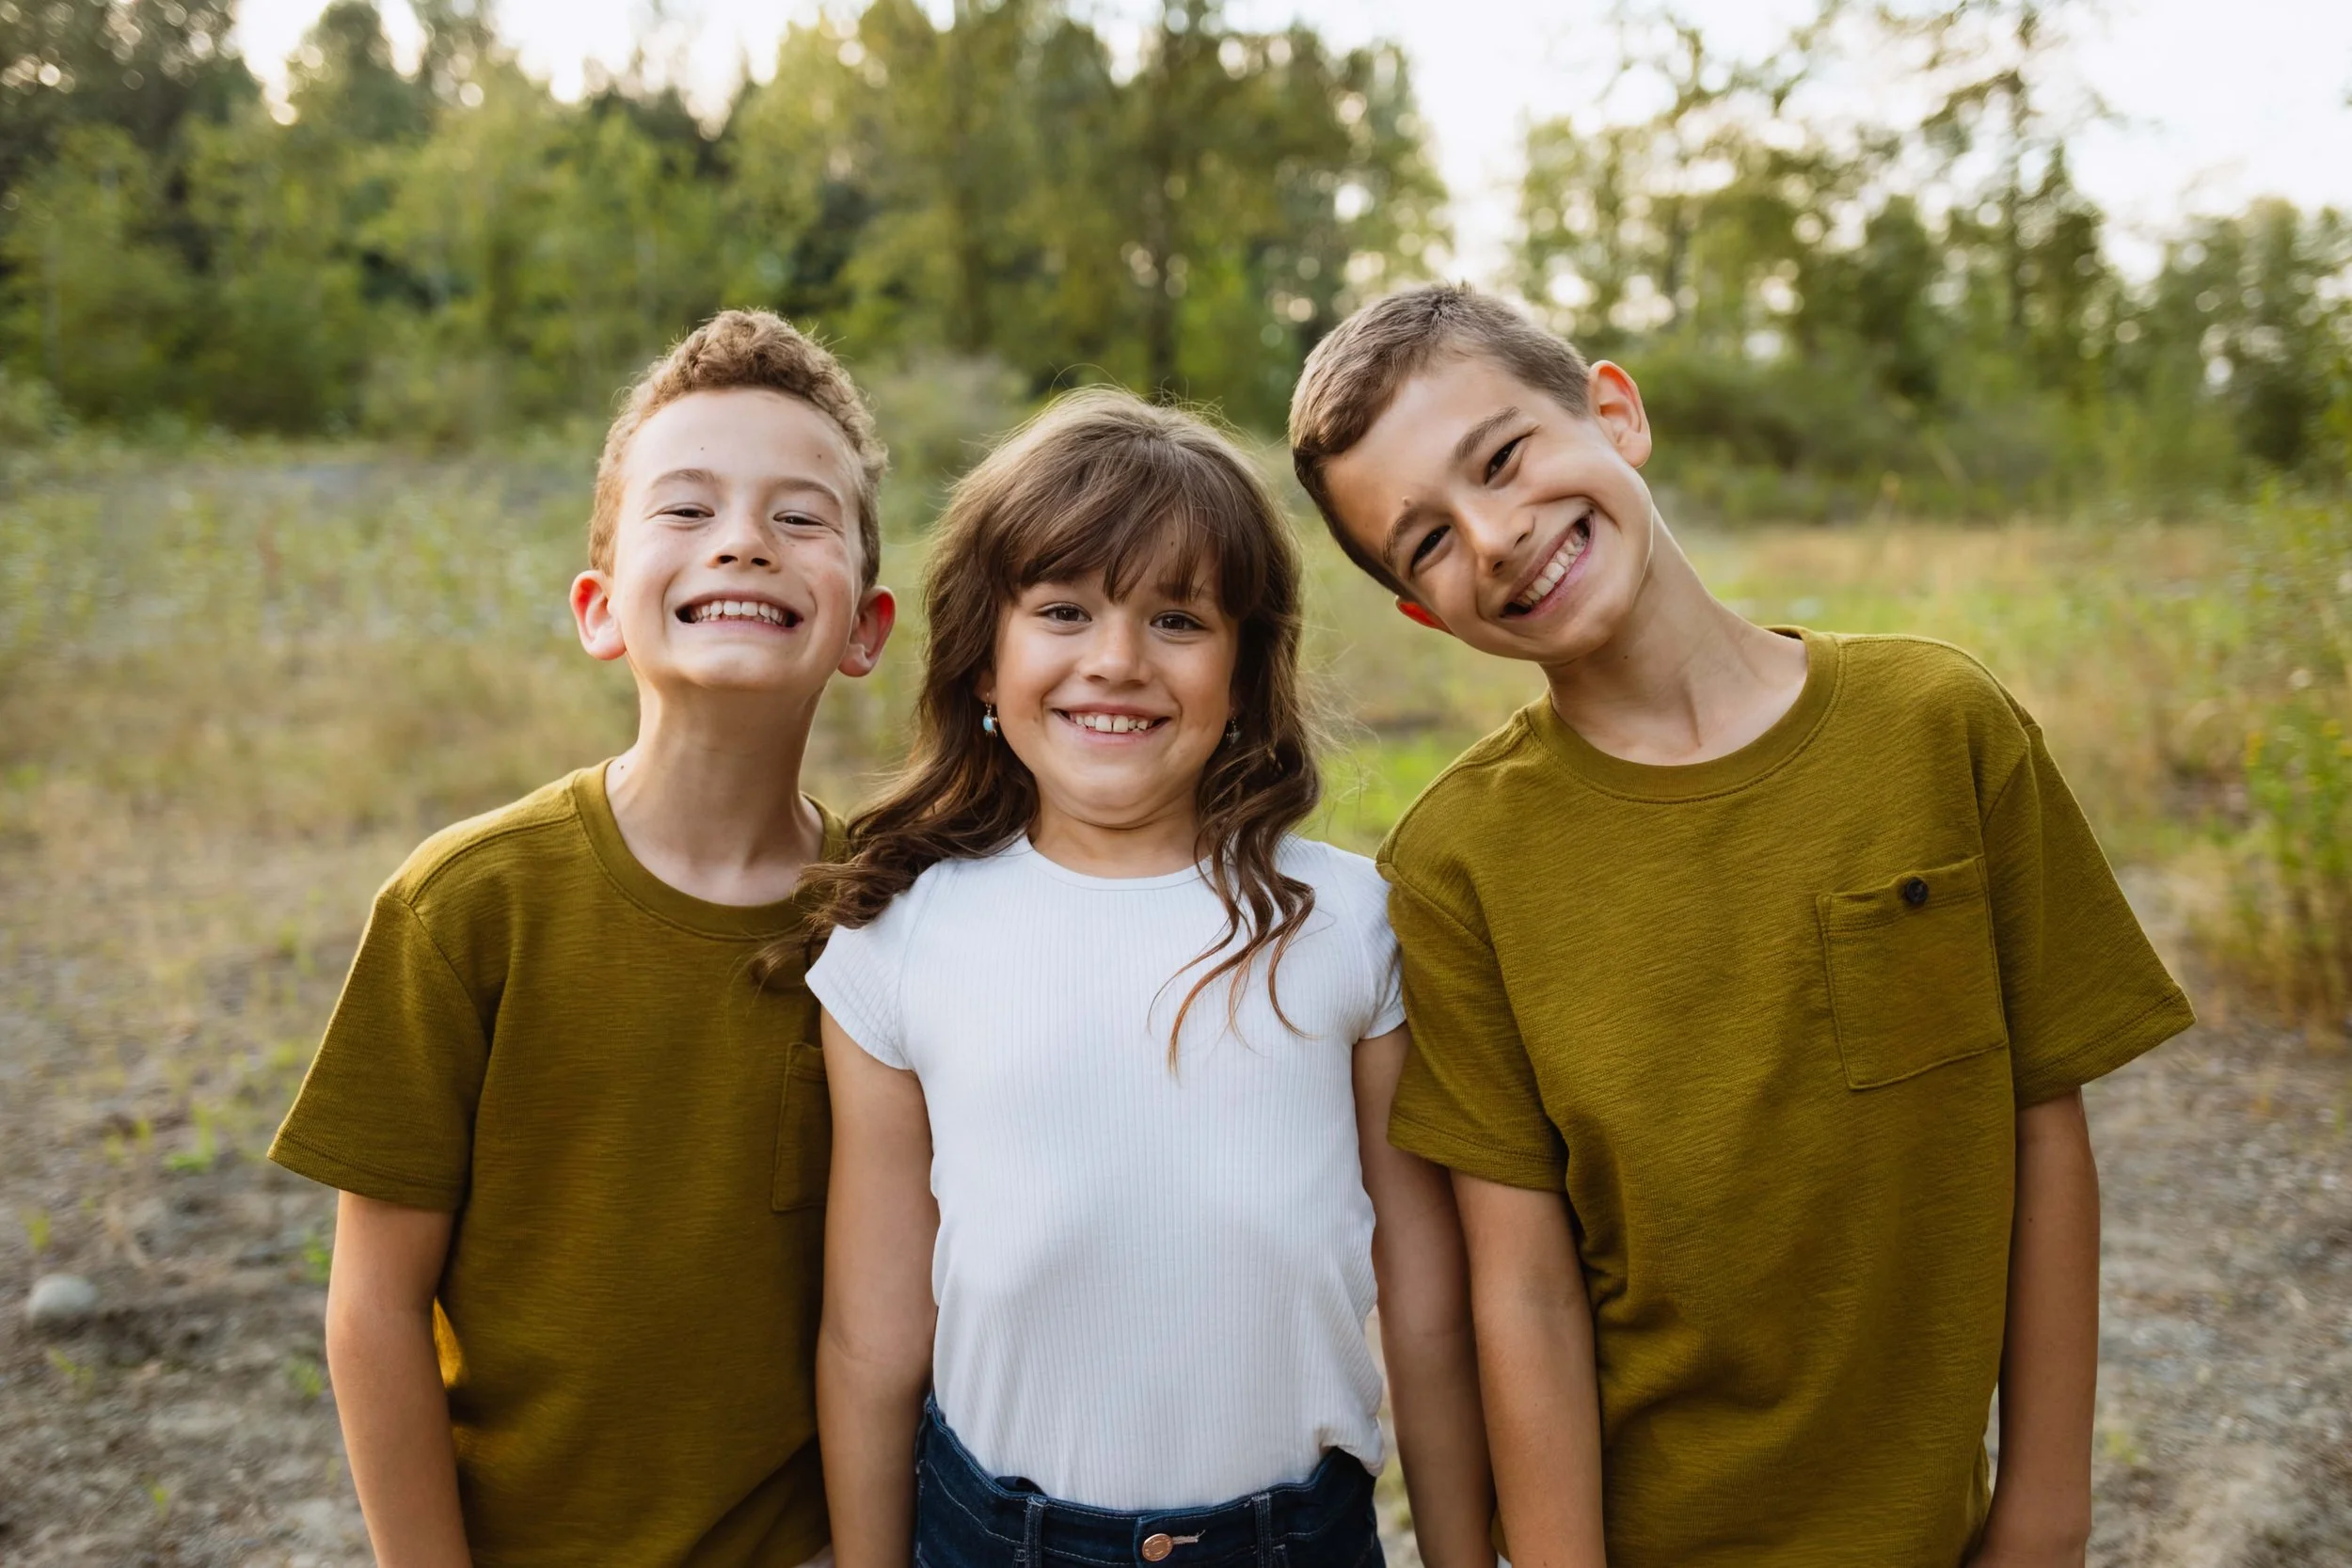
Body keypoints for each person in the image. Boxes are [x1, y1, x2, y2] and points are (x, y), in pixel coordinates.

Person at [1286, 283, 2196, 1568]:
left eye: (1503, 457)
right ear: (1422, 611)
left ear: (1616, 411)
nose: (1493, 536)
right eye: (1426, 540)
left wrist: (2046, 1511)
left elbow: (2044, 1122)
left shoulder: (1938, 725)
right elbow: (1525, 1279)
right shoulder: (1456, 863)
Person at [807, 388, 1495, 1568]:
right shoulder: (899, 943)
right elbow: (871, 1342)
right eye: (1063, 610)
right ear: (983, 654)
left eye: (1177, 619)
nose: (1116, 662)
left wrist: (1464, 1552)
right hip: (994, 1538)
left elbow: (1427, 1315)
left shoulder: (1349, 925)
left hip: (1295, 1539)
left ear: (1243, 670)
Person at [268, 309, 896, 1567]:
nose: (743, 540)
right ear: (601, 608)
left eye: (799, 514)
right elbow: (376, 1307)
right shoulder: (461, 905)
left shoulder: (897, 910)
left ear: (867, 626)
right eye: (688, 507)